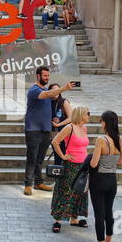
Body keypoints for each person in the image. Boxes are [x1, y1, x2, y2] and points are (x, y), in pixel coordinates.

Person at [24, 66, 75, 196]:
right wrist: (64, 88)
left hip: (46, 130)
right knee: (32, 158)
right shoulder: (34, 90)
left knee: (40, 158)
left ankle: (38, 182)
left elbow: (53, 97)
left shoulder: (46, 90)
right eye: (45, 76)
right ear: (38, 76)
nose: (47, 78)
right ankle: (28, 184)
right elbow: (47, 94)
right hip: (33, 130)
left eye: (48, 76)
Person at [50, 106, 90, 233]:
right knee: (67, 190)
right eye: (87, 113)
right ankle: (57, 220)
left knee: (80, 191)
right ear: (81, 114)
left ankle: (74, 219)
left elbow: (84, 146)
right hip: (71, 165)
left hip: (83, 165)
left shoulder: (84, 128)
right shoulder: (69, 128)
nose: (89, 115)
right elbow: (55, 141)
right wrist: (62, 156)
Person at [88, 111, 122, 242]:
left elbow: (93, 163)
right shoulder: (120, 139)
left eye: (101, 120)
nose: (100, 123)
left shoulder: (101, 139)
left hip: (98, 180)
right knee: (108, 211)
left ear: (105, 122)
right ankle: (109, 240)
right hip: (112, 180)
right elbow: (120, 161)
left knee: (99, 214)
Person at [49, 83, 72, 166]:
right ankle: (57, 176)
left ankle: (65, 175)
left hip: (63, 131)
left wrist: (59, 124)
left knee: (63, 152)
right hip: (52, 132)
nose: (56, 91)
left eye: (58, 89)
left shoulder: (63, 101)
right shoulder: (47, 102)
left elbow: (71, 118)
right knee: (57, 154)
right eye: (53, 90)